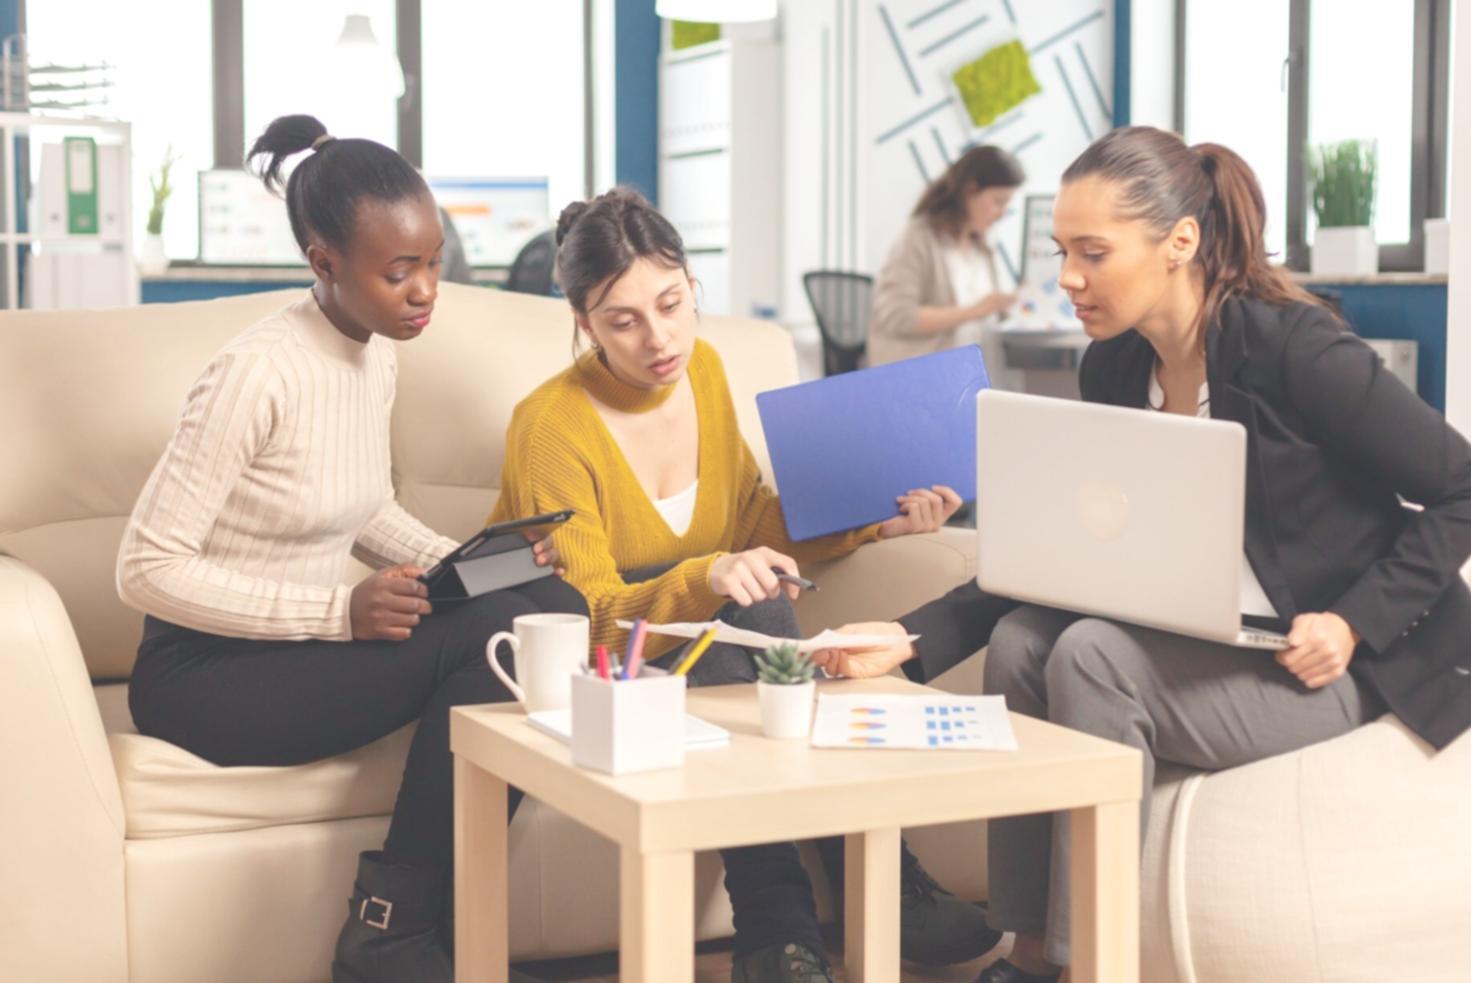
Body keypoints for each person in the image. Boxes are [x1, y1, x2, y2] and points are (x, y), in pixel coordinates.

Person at [816, 126, 1471, 983]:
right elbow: (1062, 553)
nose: (1067, 278)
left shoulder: (1297, 350)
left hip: (1330, 663)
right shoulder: (1114, 369)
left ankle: (1092, 962)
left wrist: (1352, 623)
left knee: (1092, 653)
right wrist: (910, 637)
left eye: (1093, 252)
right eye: (1062, 251)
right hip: (1209, 640)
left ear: (1179, 242)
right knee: (1026, 640)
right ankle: (1028, 951)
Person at [116, 114, 586, 983]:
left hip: (300, 651)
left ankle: (448, 932)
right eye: (398, 271)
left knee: (553, 606)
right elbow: (145, 568)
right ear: (323, 260)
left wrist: (479, 560)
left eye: (433, 262)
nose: (425, 290)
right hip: (203, 674)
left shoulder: (375, 357)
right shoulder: (256, 371)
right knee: (500, 637)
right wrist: (338, 611)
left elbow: (363, 508)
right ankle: (389, 934)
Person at [487, 187, 999, 982]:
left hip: (707, 644)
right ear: (583, 323)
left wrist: (877, 522)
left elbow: (754, 519)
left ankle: (780, 932)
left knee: (754, 604)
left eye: (671, 303)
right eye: (623, 321)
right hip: (600, 661)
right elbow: (590, 615)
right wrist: (710, 574)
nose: (660, 338)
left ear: (693, 284)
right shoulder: (549, 425)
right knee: (747, 608)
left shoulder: (705, 369)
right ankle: (856, 885)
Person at [868, 144, 1024, 367]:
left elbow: (990, 315)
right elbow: (898, 316)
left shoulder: (982, 248)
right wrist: (976, 310)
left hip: (975, 373)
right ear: (970, 191)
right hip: (927, 375)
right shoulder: (918, 238)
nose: (1002, 214)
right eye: (998, 202)